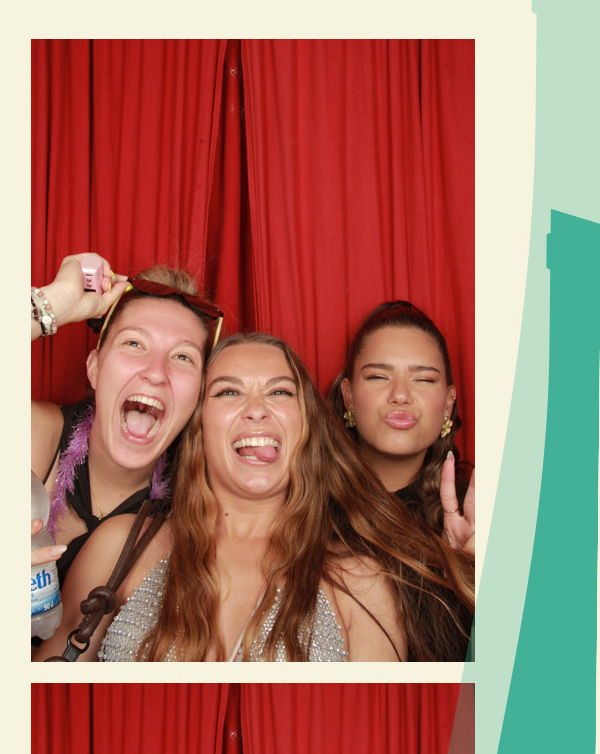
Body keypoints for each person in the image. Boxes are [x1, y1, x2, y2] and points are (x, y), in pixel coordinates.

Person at [36, 333, 473, 662]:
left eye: (280, 392)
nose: (257, 409)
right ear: (198, 425)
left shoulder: (361, 581)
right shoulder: (122, 546)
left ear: (307, 424)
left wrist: (477, 580)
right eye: (228, 391)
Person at [30, 255, 220, 586]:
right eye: (134, 343)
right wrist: (55, 302)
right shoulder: (34, 435)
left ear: (199, 396)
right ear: (94, 368)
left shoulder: (201, 507)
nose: (156, 373)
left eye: (182, 356)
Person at [332, 299, 474, 556]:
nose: (400, 395)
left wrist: (467, 566)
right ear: (349, 396)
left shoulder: (479, 514)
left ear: (448, 403)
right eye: (378, 376)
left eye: (424, 379)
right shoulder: (302, 505)